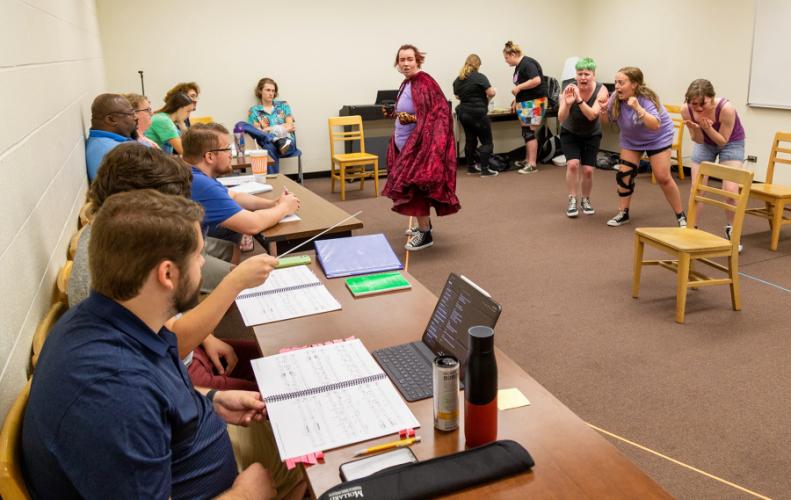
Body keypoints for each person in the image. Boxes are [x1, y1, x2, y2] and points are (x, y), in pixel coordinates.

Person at [23, 189, 304, 499]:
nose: (203, 262)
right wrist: (247, 496)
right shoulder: (116, 394)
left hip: (196, 447)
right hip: (228, 486)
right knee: (317, 464)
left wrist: (212, 401)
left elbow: (160, 400)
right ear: (167, 274)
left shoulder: (114, 316)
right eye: (198, 255)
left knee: (303, 428)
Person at [69, 142, 276, 391]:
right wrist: (234, 283)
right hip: (174, 372)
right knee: (276, 386)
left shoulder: (114, 236)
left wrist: (206, 337)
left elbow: (167, 322)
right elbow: (172, 346)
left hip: (180, 358)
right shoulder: (121, 255)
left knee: (272, 357)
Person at [382, 44, 460, 251]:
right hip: (405, 145)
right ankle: (421, 225)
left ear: (418, 60)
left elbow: (439, 115)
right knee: (410, 187)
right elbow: (419, 113)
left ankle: (425, 234)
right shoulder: (408, 83)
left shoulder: (425, 83)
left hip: (419, 147)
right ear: (397, 63)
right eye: (402, 60)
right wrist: (406, 117)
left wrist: (418, 126)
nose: (405, 63)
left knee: (415, 188)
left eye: (409, 59)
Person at [185, 123, 300, 255]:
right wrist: (284, 208)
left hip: (186, 240)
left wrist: (273, 203)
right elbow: (253, 225)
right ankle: (231, 272)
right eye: (227, 149)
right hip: (186, 254)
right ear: (210, 157)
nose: (231, 155)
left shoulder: (195, 173)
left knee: (233, 225)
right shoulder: (200, 183)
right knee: (237, 226)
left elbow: (234, 196)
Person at [600, 67, 686, 227]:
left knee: (663, 177)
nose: (617, 86)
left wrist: (637, 108)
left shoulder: (646, 99)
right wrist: (603, 110)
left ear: (634, 84)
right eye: (616, 82)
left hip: (658, 137)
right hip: (631, 138)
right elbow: (606, 121)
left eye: (621, 82)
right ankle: (623, 212)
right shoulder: (615, 98)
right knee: (624, 175)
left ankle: (681, 216)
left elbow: (655, 125)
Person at [681, 78, 747, 250]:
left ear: (712, 97)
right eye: (694, 104)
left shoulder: (726, 109)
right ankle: (692, 230)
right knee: (697, 188)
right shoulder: (686, 110)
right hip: (705, 143)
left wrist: (708, 128)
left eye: (703, 104)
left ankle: (733, 230)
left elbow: (723, 142)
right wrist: (696, 129)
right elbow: (699, 139)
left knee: (730, 190)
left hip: (730, 142)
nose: (699, 109)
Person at [557, 57, 609, 217]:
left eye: (587, 74)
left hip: (591, 134)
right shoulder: (568, 87)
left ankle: (585, 199)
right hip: (569, 132)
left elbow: (593, 115)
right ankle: (572, 198)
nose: (583, 77)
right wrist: (567, 102)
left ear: (593, 75)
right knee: (572, 165)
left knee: (587, 171)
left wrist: (578, 100)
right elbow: (561, 117)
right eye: (580, 74)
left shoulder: (601, 90)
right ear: (576, 75)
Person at [503, 40, 548, 174]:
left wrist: (518, 87)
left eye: (506, 58)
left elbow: (536, 80)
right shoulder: (520, 66)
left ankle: (532, 164)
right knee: (526, 132)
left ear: (513, 54)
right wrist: (515, 100)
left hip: (535, 101)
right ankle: (527, 159)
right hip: (526, 102)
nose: (506, 61)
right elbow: (524, 86)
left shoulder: (527, 63)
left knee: (529, 132)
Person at [452, 54, 498, 177]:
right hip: (477, 113)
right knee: (487, 142)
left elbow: (457, 96)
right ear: (477, 65)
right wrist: (490, 96)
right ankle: (485, 170)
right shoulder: (479, 77)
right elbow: (491, 92)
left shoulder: (458, 79)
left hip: (463, 113)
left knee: (470, 140)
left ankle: (471, 167)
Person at [247, 77, 296, 174]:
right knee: (268, 145)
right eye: (268, 90)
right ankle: (275, 179)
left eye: (273, 91)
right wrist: (280, 128)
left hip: (287, 142)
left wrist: (268, 129)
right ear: (260, 91)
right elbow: (256, 132)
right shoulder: (254, 111)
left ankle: (272, 181)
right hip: (268, 143)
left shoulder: (283, 106)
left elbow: (290, 126)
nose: (271, 93)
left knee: (269, 147)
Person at [84, 93, 137, 182]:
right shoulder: (111, 151)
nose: (136, 117)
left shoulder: (112, 143)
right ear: (111, 120)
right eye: (131, 113)